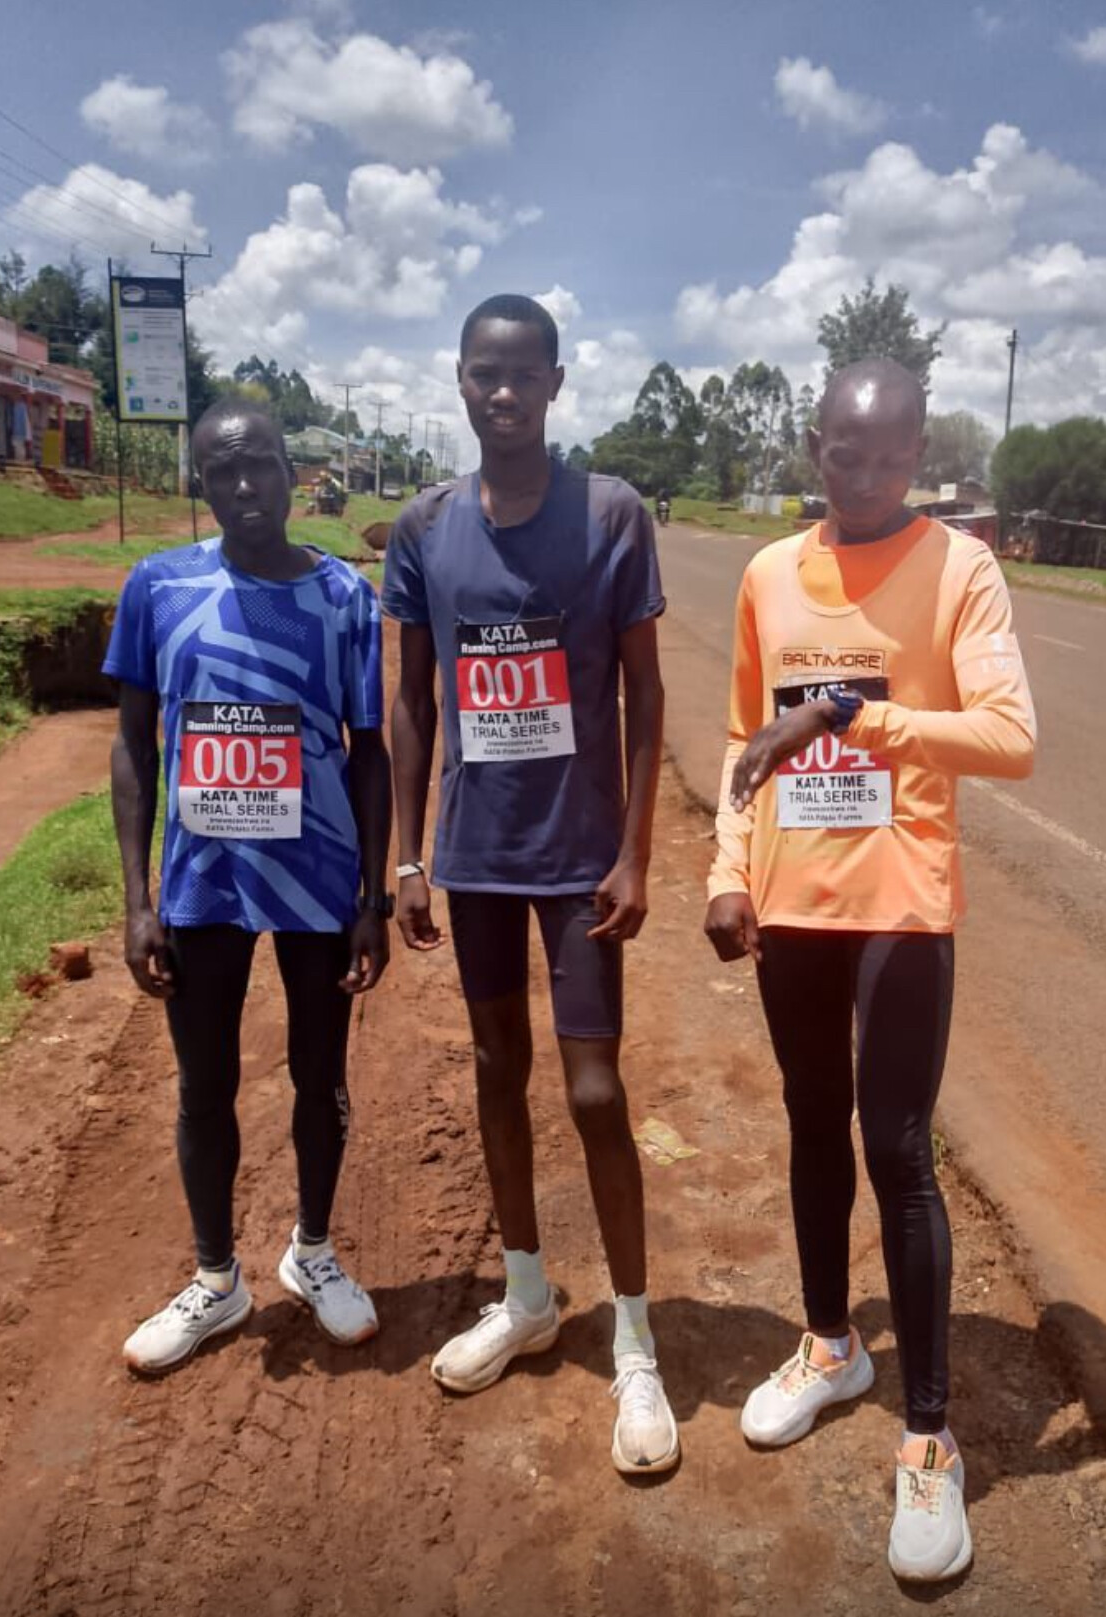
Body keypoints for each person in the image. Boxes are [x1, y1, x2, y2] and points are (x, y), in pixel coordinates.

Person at [704, 359, 1035, 1580]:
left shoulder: (961, 570)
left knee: (898, 1151)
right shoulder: (766, 574)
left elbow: (1009, 738)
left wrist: (851, 714)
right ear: (815, 449)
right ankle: (832, 1344)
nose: (869, 478)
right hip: (792, 903)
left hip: (903, 902)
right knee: (811, 1123)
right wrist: (726, 869)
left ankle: (930, 1438)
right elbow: (745, 733)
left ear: (919, 456)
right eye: (847, 456)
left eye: (893, 459)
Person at [383, 293, 677, 1474]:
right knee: (496, 1069)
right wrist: (409, 855)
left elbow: (645, 695)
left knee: (595, 1092)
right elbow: (413, 704)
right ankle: (526, 1294)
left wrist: (637, 851)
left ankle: (638, 1342)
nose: (501, 392)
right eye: (481, 374)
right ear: (460, 382)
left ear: (556, 384)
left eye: (522, 375)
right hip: (479, 858)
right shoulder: (424, 527)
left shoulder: (610, 514)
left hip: (578, 862)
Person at [105, 397, 393, 1375]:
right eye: (222, 470)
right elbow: (133, 746)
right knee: (205, 1084)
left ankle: (313, 1250)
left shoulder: (344, 597)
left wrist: (372, 899)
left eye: (260, 464)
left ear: (290, 471)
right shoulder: (158, 587)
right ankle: (216, 1278)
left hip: (317, 878)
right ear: (200, 482)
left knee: (321, 1073)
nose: (244, 485)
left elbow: (369, 753)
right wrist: (138, 901)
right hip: (204, 883)